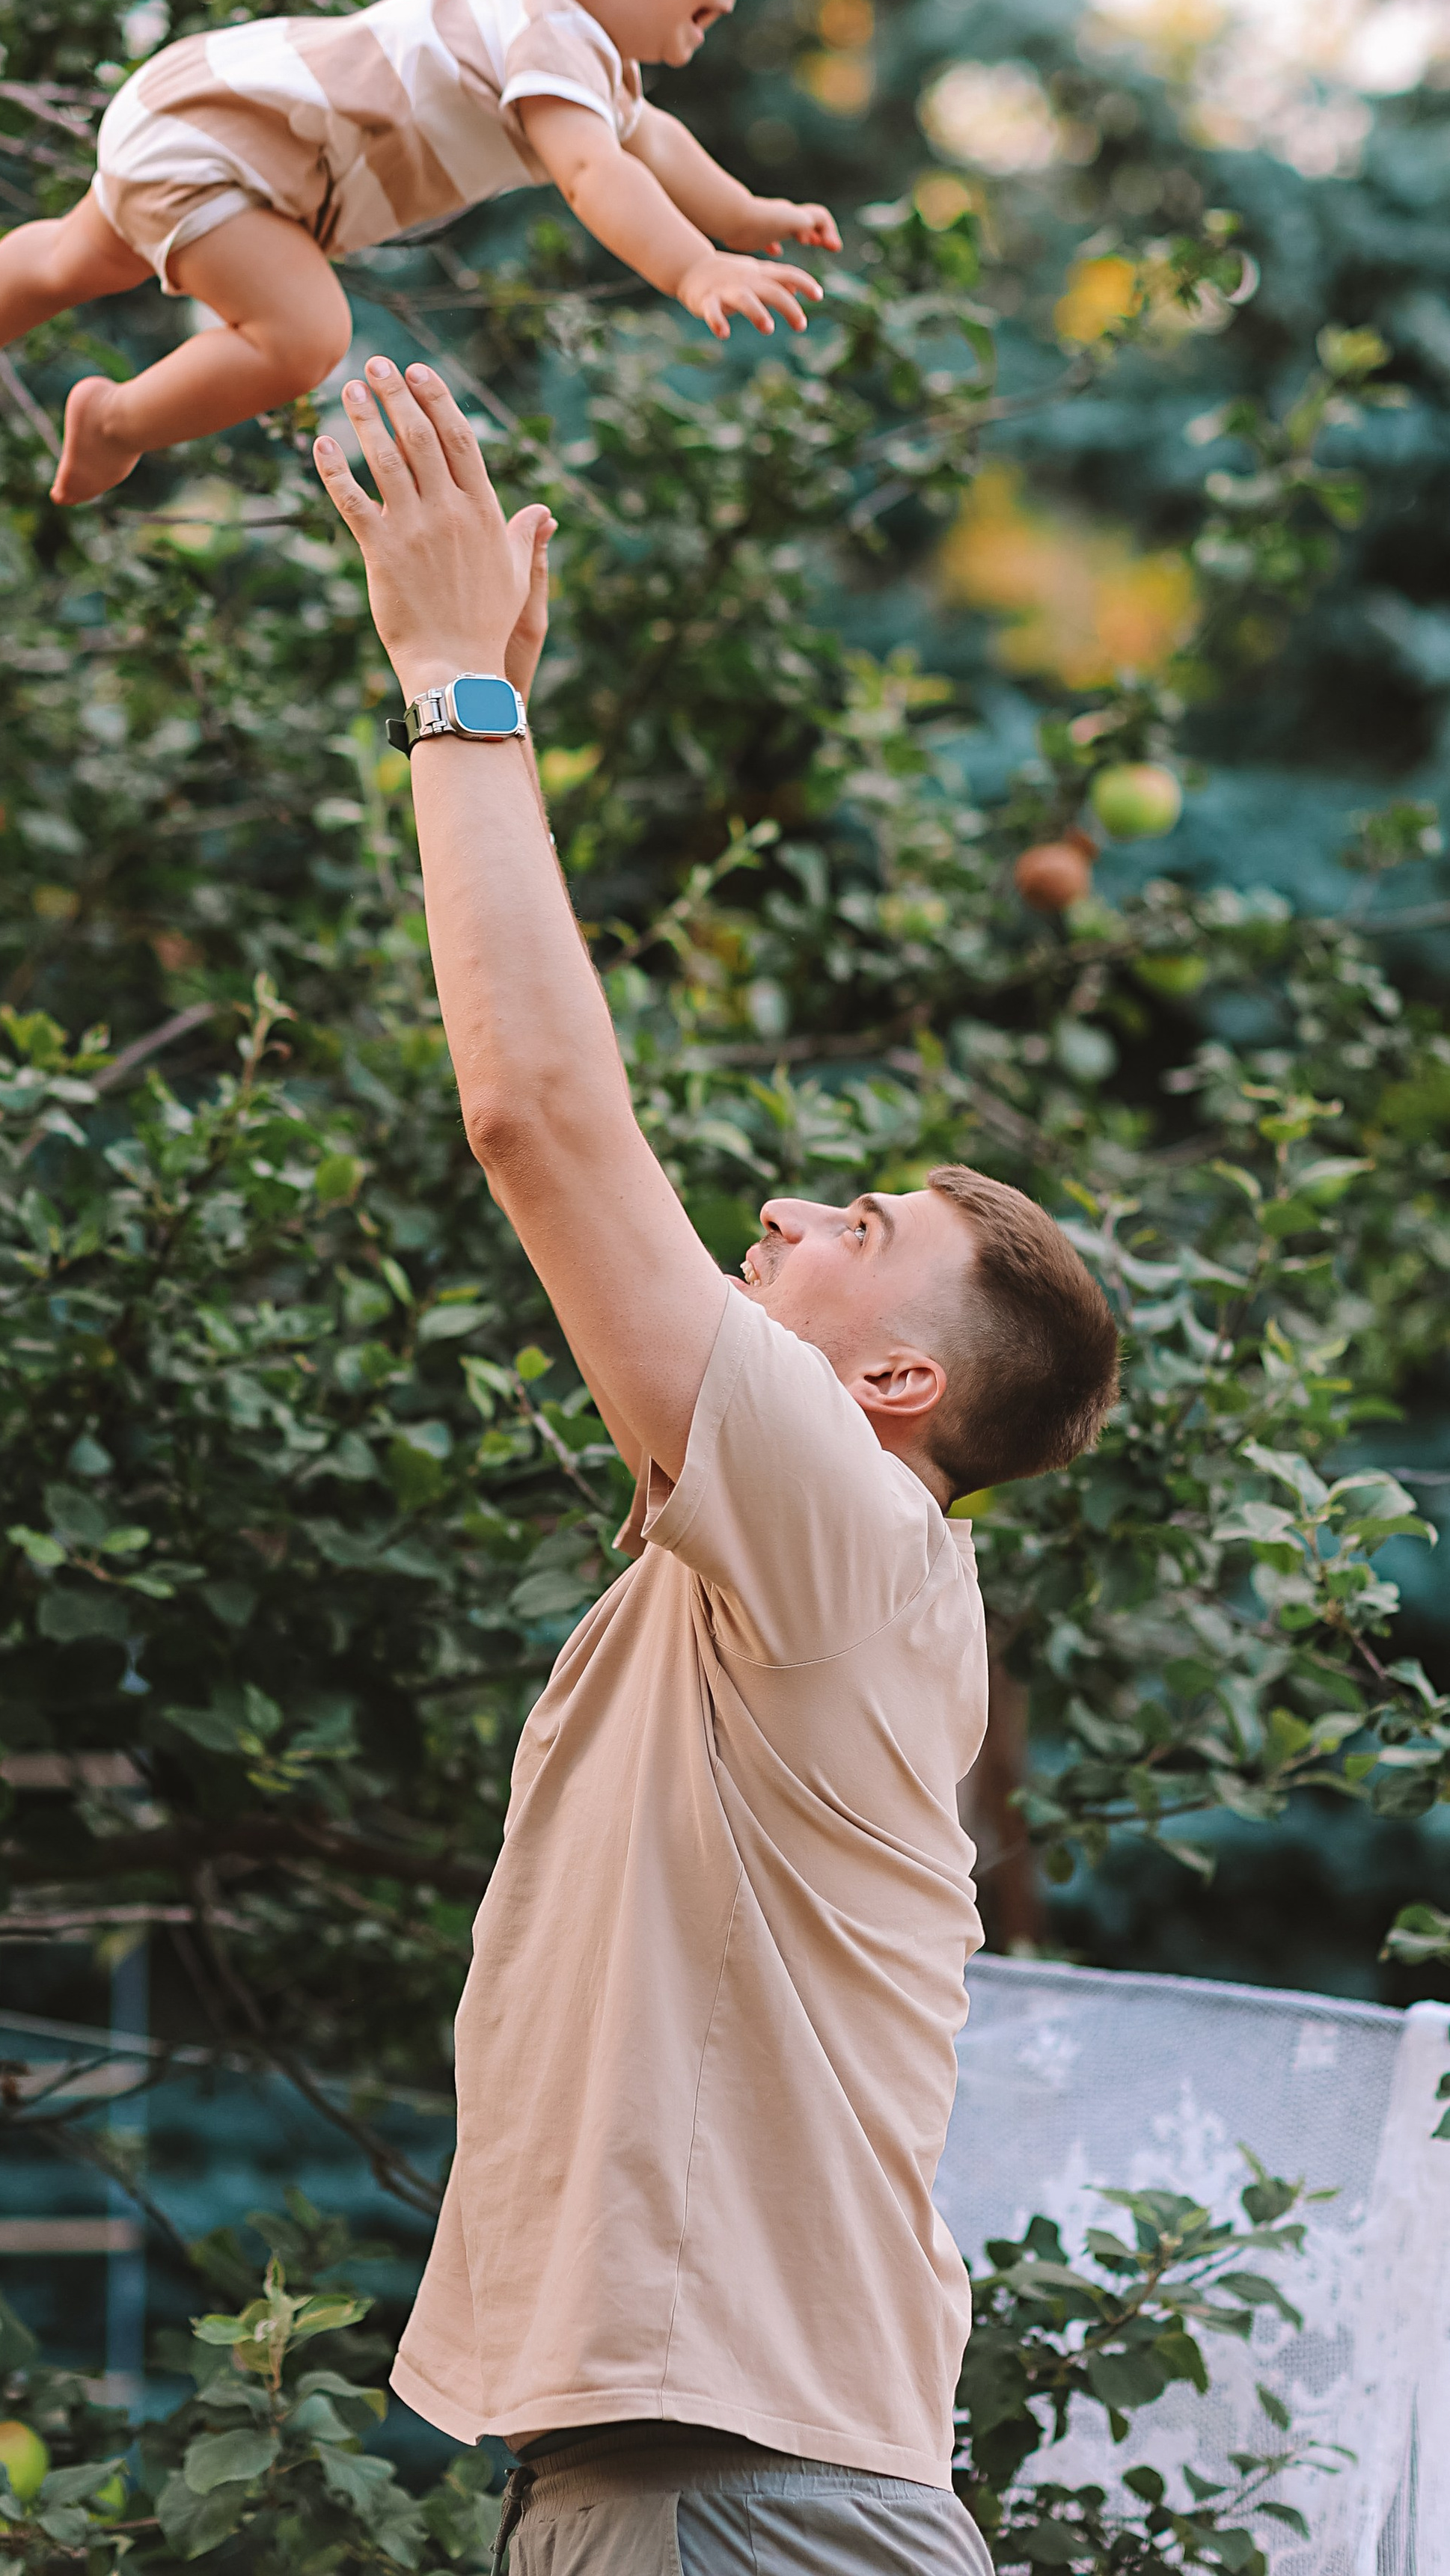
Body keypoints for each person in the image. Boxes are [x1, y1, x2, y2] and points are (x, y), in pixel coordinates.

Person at [309, 360, 1122, 2576]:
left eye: (849, 1232)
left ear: (891, 1385)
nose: (777, 1209)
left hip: (744, 2503)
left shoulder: (855, 1531)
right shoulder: (779, 1576)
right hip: (702, 2490)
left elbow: (544, 1122)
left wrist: (455, 688)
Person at [0, 0, 839, 505]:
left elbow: (651, 142)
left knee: (77, 257)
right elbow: (596, 171)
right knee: (304, 339)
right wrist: (691, 269)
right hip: (234, 149)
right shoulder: (542, 33)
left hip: (206, 108)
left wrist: (744, 214)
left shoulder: (553, 34)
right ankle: (115, 417)